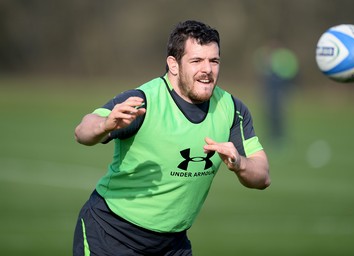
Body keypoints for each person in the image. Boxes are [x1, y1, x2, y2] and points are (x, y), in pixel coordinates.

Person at [73, 20, 271, 256]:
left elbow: (263, 175)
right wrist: (105, 125)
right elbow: (82, 132)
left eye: (214, 61)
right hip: (110, 236)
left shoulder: (231, 109)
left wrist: (240, 163)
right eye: (196, 61)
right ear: (173, 65)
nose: (207, 69)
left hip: (172, 245)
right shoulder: (144, 101)